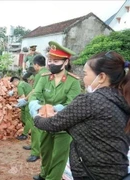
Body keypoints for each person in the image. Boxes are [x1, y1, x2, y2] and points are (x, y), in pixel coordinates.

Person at [34, 51, 130, 180]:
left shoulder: (90, 100)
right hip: (115, 171)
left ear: (101, 77)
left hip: (92, 172)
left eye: (85, 74)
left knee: (58, 157)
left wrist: (35, 115)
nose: (83, 78)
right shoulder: (122, 98)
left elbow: (53, 124)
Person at [29, 41, 81, 180]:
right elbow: (35, 95)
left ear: (65, 62)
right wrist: (37, 109)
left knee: (59, 156)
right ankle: (44, 174)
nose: (51, 64)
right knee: (45, 152)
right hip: (45, 122)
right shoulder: (45, 78)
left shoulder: (73, 81)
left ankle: (52, 178)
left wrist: (53, 108)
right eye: (50, 60)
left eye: (56, 61)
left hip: (64, 126)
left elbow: (72, 103)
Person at [22, 54, 49, 157]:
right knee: (40, 130)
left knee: (36, 129)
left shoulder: (40, 75)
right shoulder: (48, 72)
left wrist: (26, 99)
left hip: (39, 104)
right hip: (46, 104)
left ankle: (35, 152)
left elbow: (35, 90)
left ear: (36, 65)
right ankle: (35, 145)